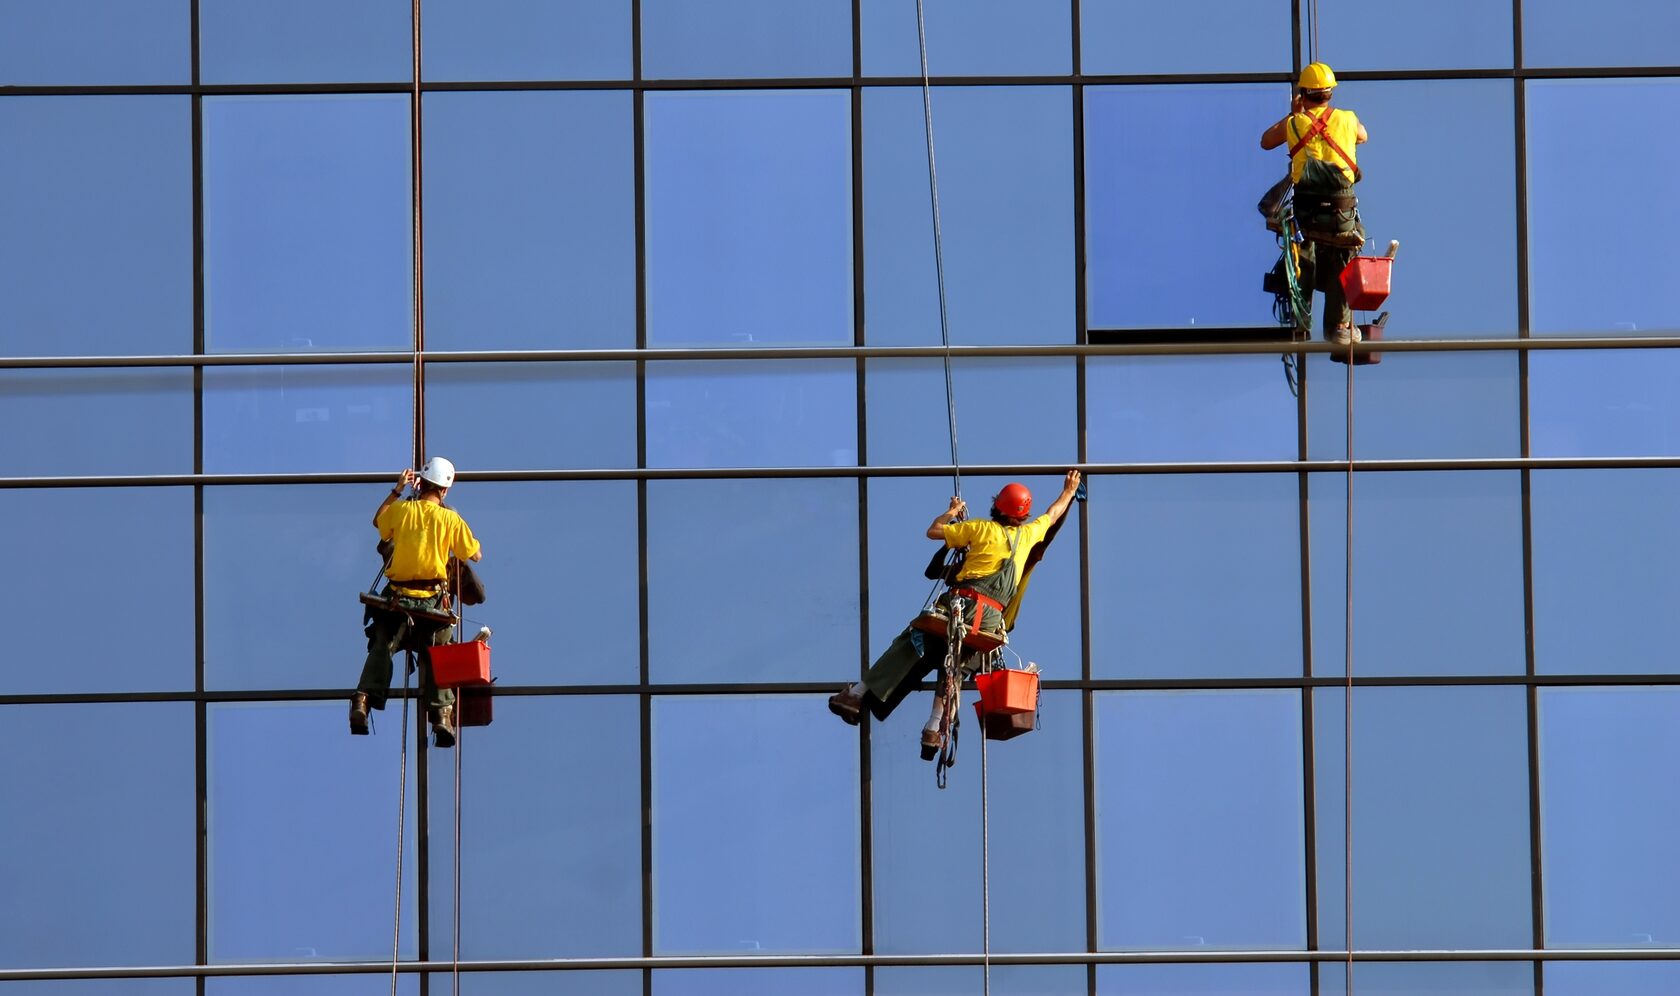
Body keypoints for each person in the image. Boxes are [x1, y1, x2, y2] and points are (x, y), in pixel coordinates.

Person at [828, 470, 1082, 757]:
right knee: (957, 667)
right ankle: (934, 728)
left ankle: (858, 694)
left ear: (997, 506)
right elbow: (1053, 513)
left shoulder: (980, 529)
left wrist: (951, 513)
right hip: (989, 621)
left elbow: (933, 531)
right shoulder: (1029, 534)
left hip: (962, 605)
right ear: (1022, 515)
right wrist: (1068, 491)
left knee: (911, 642)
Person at [349, 457, 483, 747]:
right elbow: (474, 554)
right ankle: (441, 716)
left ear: (421, 484)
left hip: (397, 598)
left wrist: (398, 490)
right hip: (431, 602)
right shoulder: (450, 520)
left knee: (383, 646)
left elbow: (378, 521)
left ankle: (362, 699)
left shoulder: (401, 511)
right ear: (445, 491)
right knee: (440, 654)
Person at [1260, 62, 1369, 344]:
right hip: (1340, 214)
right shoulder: (1347, 118)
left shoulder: (1294, 123)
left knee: (1302, 256)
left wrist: (1296, 114)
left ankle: (1300, 320)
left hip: (1307, 214)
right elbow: (1363, 136)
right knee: (1345, 255)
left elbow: (1266, 141)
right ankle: (1339, 327)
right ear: (1330, 93)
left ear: (1303, 94)